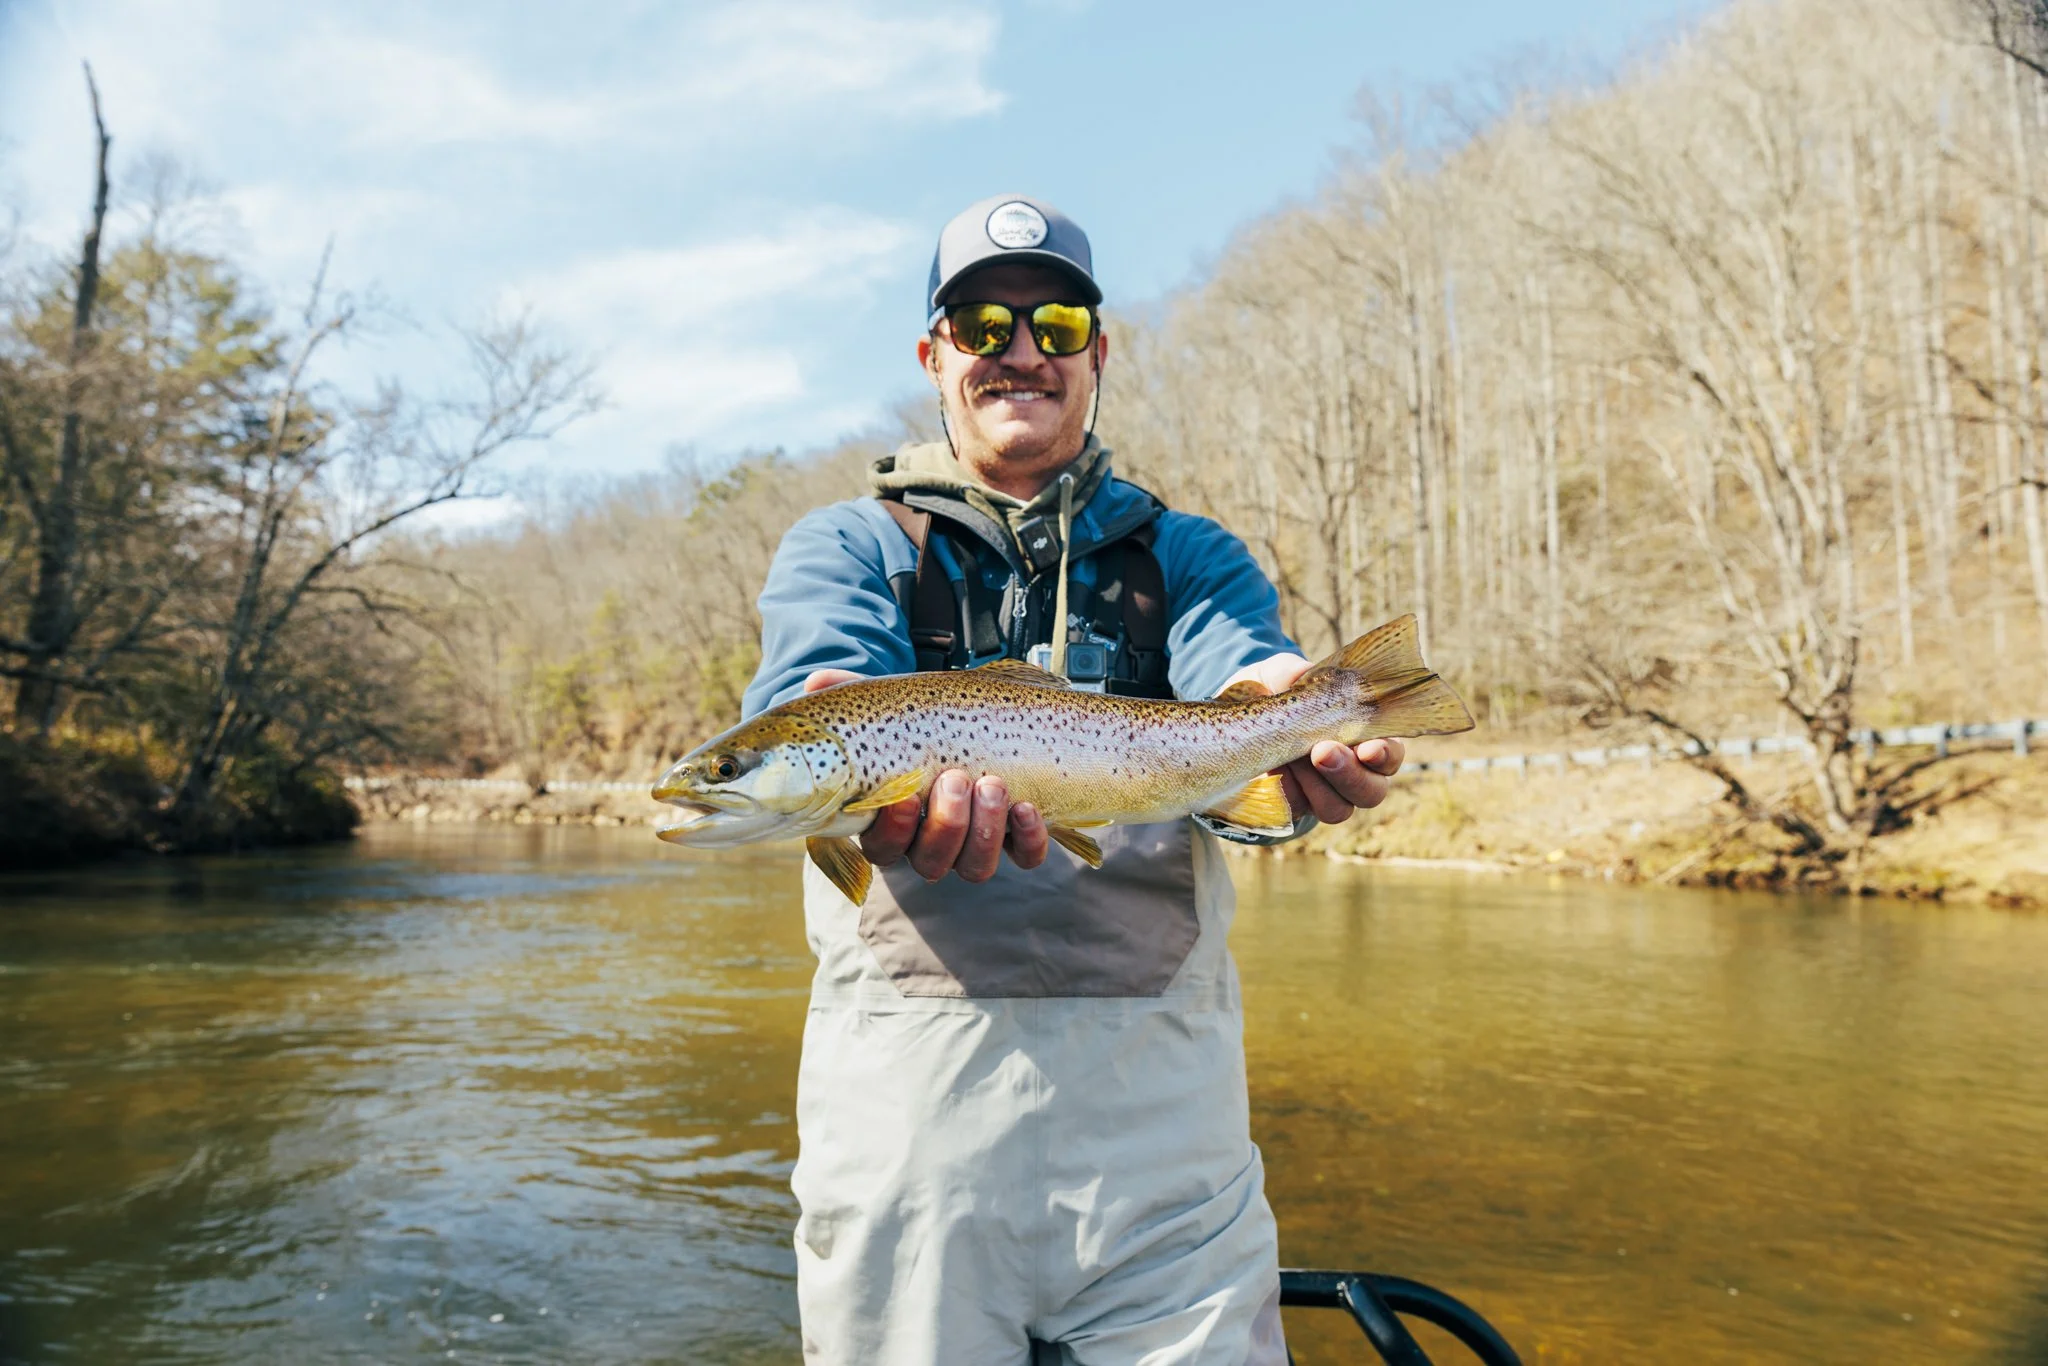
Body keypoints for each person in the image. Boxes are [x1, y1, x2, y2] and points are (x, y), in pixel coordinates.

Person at [741, 194, 1407, 1366]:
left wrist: (1297, 713)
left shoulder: (1185, 554)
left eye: (1053, 324)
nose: (1018, 351)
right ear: (933, 355)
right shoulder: (851, 546)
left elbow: (1241, 671)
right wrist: (814, 727)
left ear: (1097, 353)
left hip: (1169, 1165)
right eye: (980, 325)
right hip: (910, 1153)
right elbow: (818, 686)